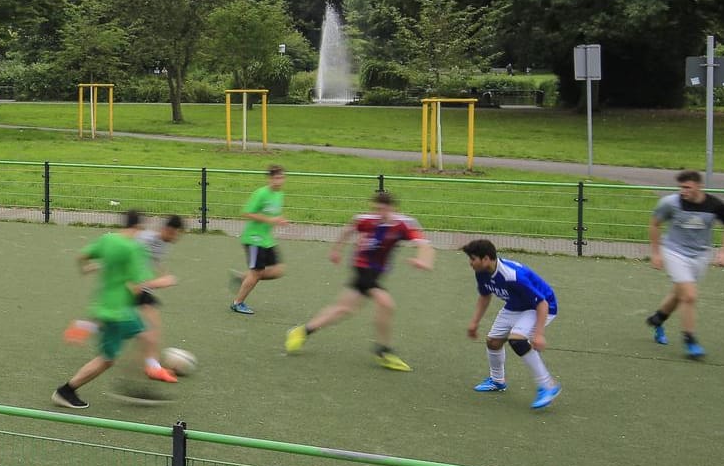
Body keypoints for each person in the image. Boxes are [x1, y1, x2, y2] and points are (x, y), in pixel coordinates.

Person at [285, 191, 433, 370]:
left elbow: (424, 244)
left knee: (344, 308)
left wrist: (424, 260)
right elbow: (348, 230)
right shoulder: (366, 220)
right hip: (362, 267)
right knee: (386, 304)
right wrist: (336, 249)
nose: (379, 214)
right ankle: (384, 351)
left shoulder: (404, 224)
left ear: (393, 208)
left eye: (383, 210)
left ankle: (302, 331)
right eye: (376, 209)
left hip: (376, 272)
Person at [53, 211, 179, 409]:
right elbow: (138, 285)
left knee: (145, 334)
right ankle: (66, 390)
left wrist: (86, 269)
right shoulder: (134, 249)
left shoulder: (108, 240)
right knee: (107, 359)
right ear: (138, 227)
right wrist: (164, 281)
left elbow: (82, 256)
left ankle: (87, 328)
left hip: (105, 304)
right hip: (118, 313)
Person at [646, 170, 724, 359]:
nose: (682, 191)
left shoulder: (715, 205)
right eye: (681, 187)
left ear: (698, 186)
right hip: (674, 251)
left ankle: (658, 319)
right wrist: (655, 253)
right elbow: (654, 224)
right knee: (690, 296)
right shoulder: (670, 203)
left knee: (680, 293)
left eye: (687, 187)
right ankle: (690, 340)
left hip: (701, 255)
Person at [461, 240, 561, 409]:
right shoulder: (481, 272)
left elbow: (542, 304)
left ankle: (548, 385)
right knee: (493, 342)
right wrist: (474, 323)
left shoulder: (513, 276)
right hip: (515, 305)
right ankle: (497, 381)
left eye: (472, 259)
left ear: (486, 259)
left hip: (541, 307)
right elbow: (485, 296)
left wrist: (538, 334)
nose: (470, 263)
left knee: (517, 340)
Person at [135, 215, 187, 382]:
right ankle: (153, 367)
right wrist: (159, 282)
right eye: (176, 234)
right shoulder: (145, 241)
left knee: (138, 326)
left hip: (139, 287)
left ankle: (84, 326)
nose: (177, 238)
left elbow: (154, 259)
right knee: (151, 327)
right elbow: (131, 269)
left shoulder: (164, 243)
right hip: (131, 286)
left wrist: (162, 272)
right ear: (168, 230)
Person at [231, 165, 287, 315]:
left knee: (278, 270)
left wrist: (280, 220)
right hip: (254, 239)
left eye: (282, 177)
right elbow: (247, 212)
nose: (279, 181)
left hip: (267, 240)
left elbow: (274, 215)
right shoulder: (261, 193)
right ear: (270, 178)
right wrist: (270, 220)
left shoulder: (280, 195)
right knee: (256, 273)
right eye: (276, 178)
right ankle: (237, 303)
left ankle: (244, 278)